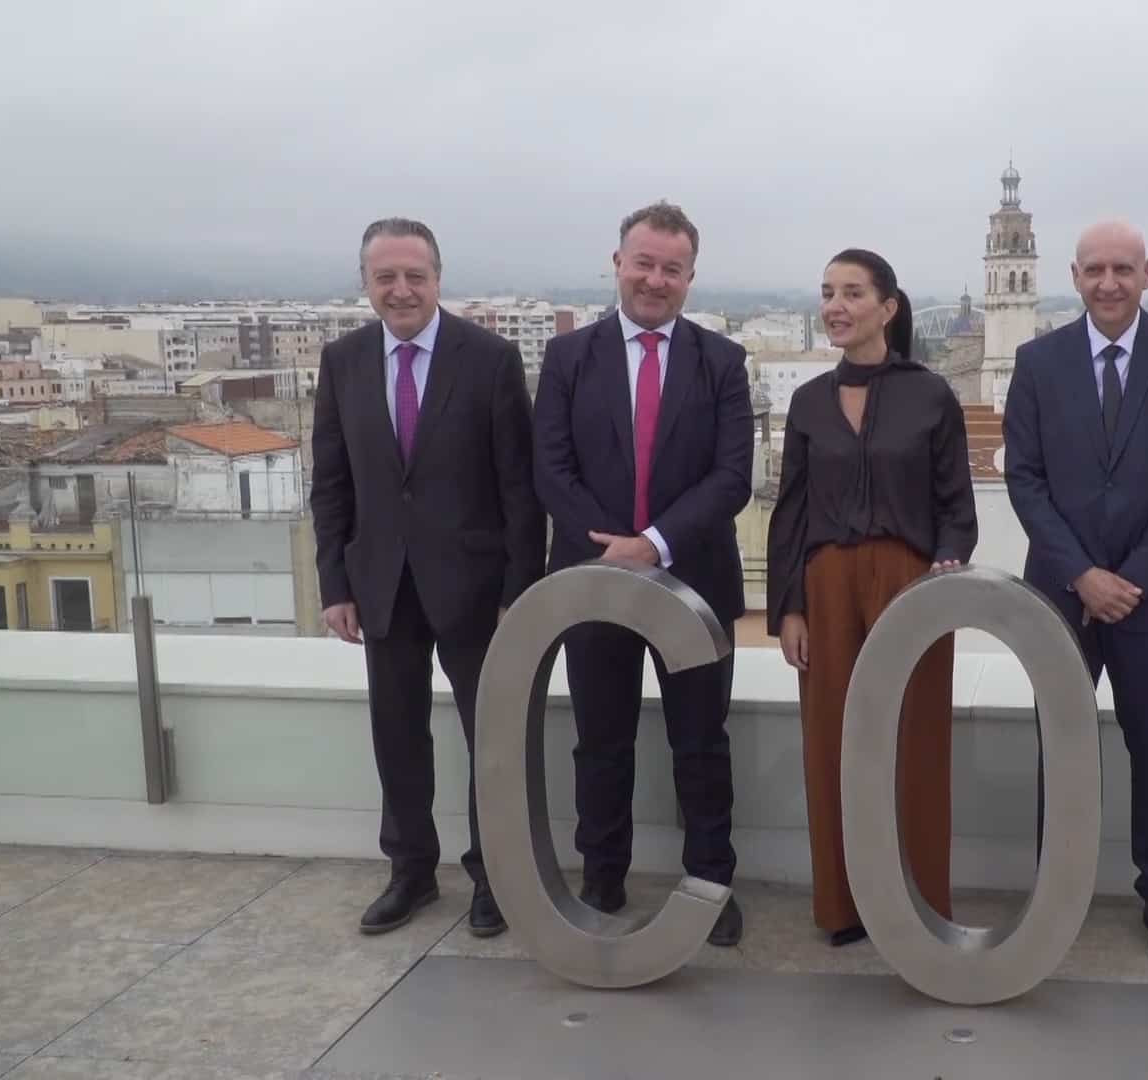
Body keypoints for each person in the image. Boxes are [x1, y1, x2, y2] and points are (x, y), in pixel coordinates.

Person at [311, 217, 545, 938]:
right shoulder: (342, 360)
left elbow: (520, 489)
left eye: (415, 275)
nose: (402, 289)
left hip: (475, 586)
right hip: (381, 583)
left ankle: (493, 878)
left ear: (439, 280)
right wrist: (334, 585)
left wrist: (519, 590)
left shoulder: (490, 359)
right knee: (397, 735)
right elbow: (332, 482)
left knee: (491, 740)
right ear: (366, 285)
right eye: (386, 277)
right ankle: (411, 872)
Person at [532, 201, 753, 947]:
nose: (655, 279)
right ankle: (602, 875)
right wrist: (612, 546)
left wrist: (652, 543)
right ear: (618, 262)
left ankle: (710, 883)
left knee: (701, 741)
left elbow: (732, 479)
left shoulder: (722, 363)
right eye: (644, 262)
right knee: (601, 738)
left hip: (694, 583)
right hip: (590, 580)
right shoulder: (568, 359)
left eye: (672, 268)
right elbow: (550, 469)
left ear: (691, 276)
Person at [1002, 220, 1148, 963]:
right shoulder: (1037, 362)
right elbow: (1024, 479)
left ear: (1147, 273)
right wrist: (1083, 574)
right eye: (1094, 269)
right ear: (1074, 275)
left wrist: (1130, 579)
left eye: (1123, 268)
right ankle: (1052, 895)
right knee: (1059, 745)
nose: (1108, 283)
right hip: (1061, 596)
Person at [767, 248, 976, 946]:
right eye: (827, 291)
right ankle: (843, 906)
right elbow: (789, 513)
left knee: (917, 742)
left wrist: (947, 567)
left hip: (912, 585)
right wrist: (789, 607)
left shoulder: (930, 394)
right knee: (831, 742)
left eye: (852, 292)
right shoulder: (806, 401)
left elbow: (956, 504)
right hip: (825, 587)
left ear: (887, 307)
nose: (836, 305)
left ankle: (918, 903)